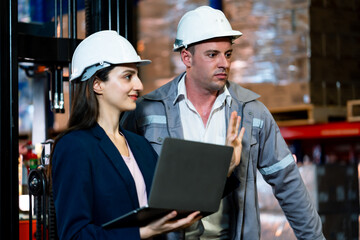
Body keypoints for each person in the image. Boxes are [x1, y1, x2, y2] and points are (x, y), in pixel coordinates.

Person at [121, 6, 325, 240]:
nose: (224, 63)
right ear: (186, 57)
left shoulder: (252, 114)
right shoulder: (147, 111)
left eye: (227, 54)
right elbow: (125, 187)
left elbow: (289, 184)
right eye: (212, 55)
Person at [50, 30, 204, 240]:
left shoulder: (139, 145)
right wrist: (143, 233)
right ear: (97, 84)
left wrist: (228, 166)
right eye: (127, 76)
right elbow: (75, 235)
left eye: (137, 76)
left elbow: (171, 199)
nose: (139, 86)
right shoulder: (75, 147)